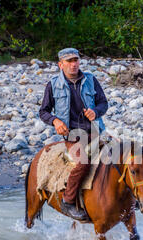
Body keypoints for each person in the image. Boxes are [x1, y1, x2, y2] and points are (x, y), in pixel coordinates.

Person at [39, 48, 108, 221]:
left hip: (94, 131)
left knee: (120, 154)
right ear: (60, 65)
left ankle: (130, 196)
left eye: (75, 60)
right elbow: (44, 112)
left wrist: (96, 112)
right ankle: (68, 201)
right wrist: (55, 121)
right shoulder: (53, 84)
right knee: (83, 163)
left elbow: (103, 103)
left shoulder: (90, 80)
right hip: (72, 136)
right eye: (69, 61)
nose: (73, 64)